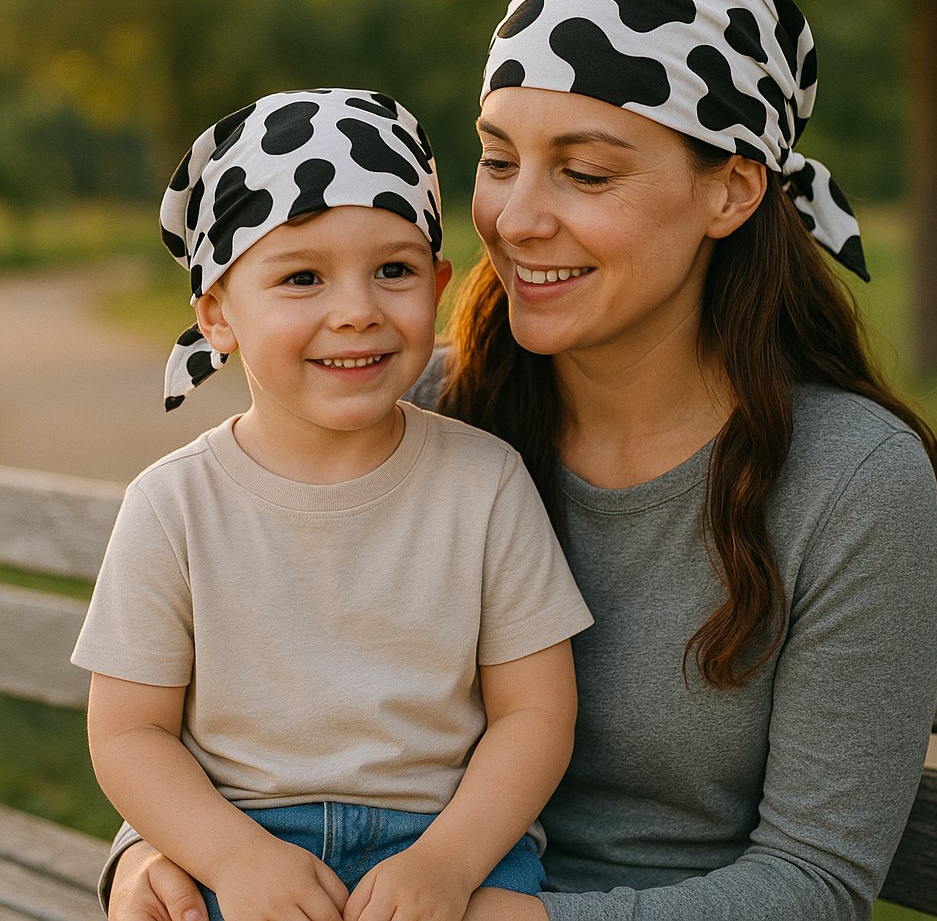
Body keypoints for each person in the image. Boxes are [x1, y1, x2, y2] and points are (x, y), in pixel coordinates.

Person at [103, 0, 937, 921]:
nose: (514, 219)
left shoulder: (848, 478)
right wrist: (150, 863)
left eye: (585, 173)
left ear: (730, 189)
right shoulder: (424, 411)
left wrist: (510, 918)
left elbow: (816, 884)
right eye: (497, 159)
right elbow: (245, 722)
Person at [72, 88, 594, 921]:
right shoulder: (174, 506)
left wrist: (449, 864)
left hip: (444, 842)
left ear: (440, 284)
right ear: (217, 315)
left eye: (393, 270)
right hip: (240, 838)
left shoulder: (486, 484)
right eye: (303, 276)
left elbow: (535, 714)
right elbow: (129, 735)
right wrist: (234, 858)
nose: (356, 312)